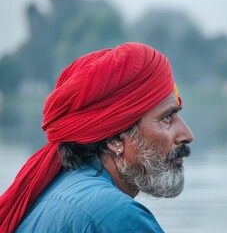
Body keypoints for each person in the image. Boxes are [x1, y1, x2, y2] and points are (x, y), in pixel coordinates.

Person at [0, 42, 194, 232]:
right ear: (115, 139)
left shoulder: (54, 189)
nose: (187, 135)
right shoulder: (116, 215)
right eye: (167, 118)